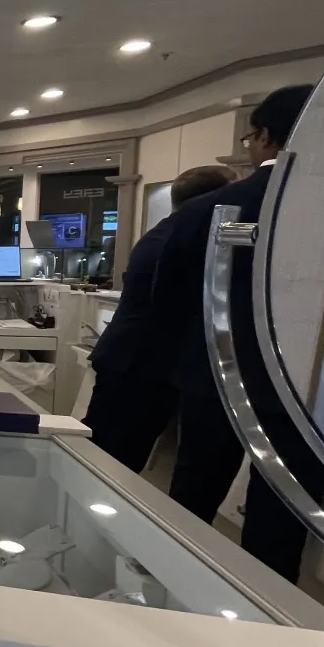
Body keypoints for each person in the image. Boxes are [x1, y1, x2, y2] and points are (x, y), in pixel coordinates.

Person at [148, 84, 324, 582]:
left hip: (215, 378)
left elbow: (168, 299)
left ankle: (171, 591)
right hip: (309, 391)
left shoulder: (208, 209)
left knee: (192, 502)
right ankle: (264, 615)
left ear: (264, 136)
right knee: (280, 527)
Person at [83, 164, 236, 471]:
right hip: (140, 367)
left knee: (110, 455)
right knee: (111, 463)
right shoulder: (180, 239)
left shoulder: (166, 232)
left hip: (134, 362)